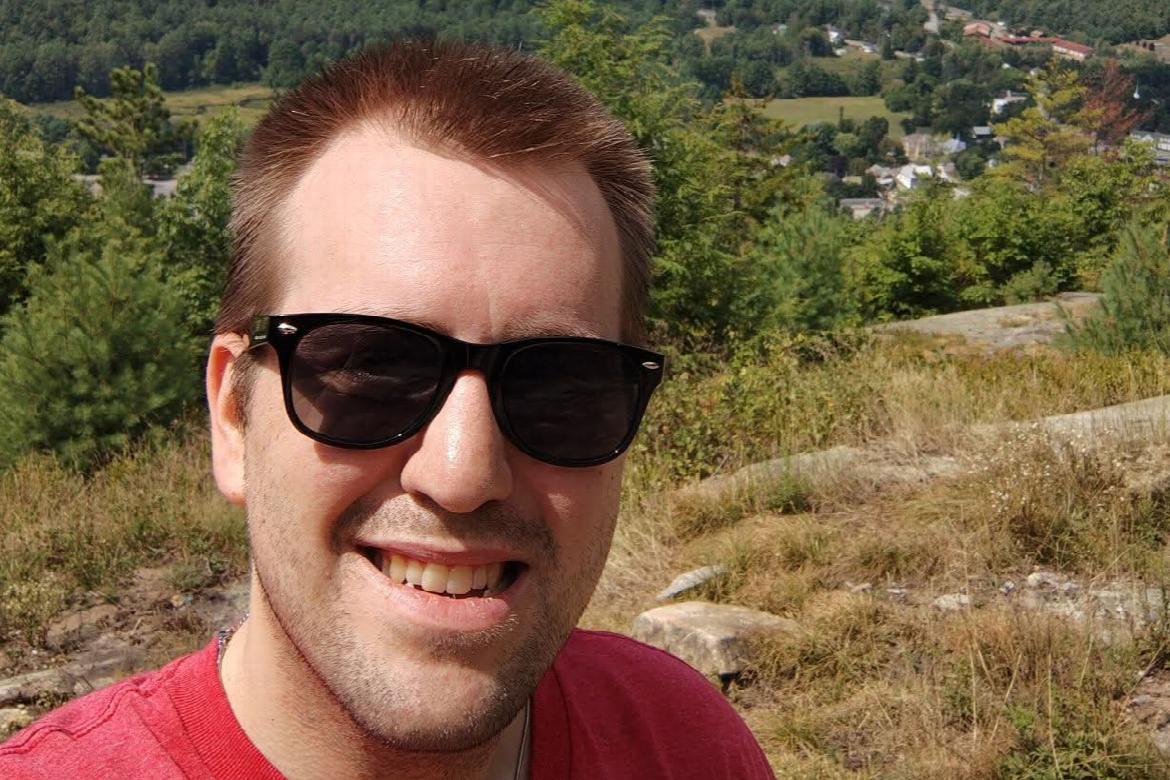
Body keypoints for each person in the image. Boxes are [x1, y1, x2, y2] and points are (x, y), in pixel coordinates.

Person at [0, 40, 774, 779]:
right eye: (372, 370)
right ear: (233, 416)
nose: (462, 475)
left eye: (558, 386)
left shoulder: (684, 742)